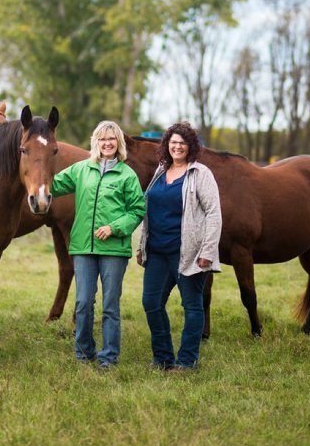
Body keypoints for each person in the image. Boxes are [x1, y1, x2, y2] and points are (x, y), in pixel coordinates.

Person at [52, 120, 145, 369]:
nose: (107, 143)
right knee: (83, 302)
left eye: (111, 139)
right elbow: (53, 185)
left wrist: (114, 227)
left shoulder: (127, 175)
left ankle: (108, 357)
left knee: (111, 306)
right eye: (102, 139)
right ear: (96, 142)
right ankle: (84, 352)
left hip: (113, 250)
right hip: (83, 248)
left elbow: (137, 210)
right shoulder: (81, 169)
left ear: (118, 143)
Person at [137, 121, 222, 371]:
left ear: (190, 146)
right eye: (173, 142)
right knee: (151, 304)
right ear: (167, 145)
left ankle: (186, 362)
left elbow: (214, 213)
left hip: (188, 253)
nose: (177, 147)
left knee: (192, 306)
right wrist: (142, 246)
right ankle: (163, 358)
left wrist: (207, 251)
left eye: (182, 143)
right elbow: (149, 210)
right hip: (157, 252)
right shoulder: (160, 171)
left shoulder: (200, 173)